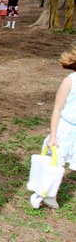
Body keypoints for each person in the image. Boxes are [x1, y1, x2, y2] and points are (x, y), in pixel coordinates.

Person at [41, 45, 76, 208]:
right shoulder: (69, 81)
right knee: (57, 163)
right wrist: (54, 135)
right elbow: (57, 109)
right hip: (66, 129)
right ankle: (49, 193)